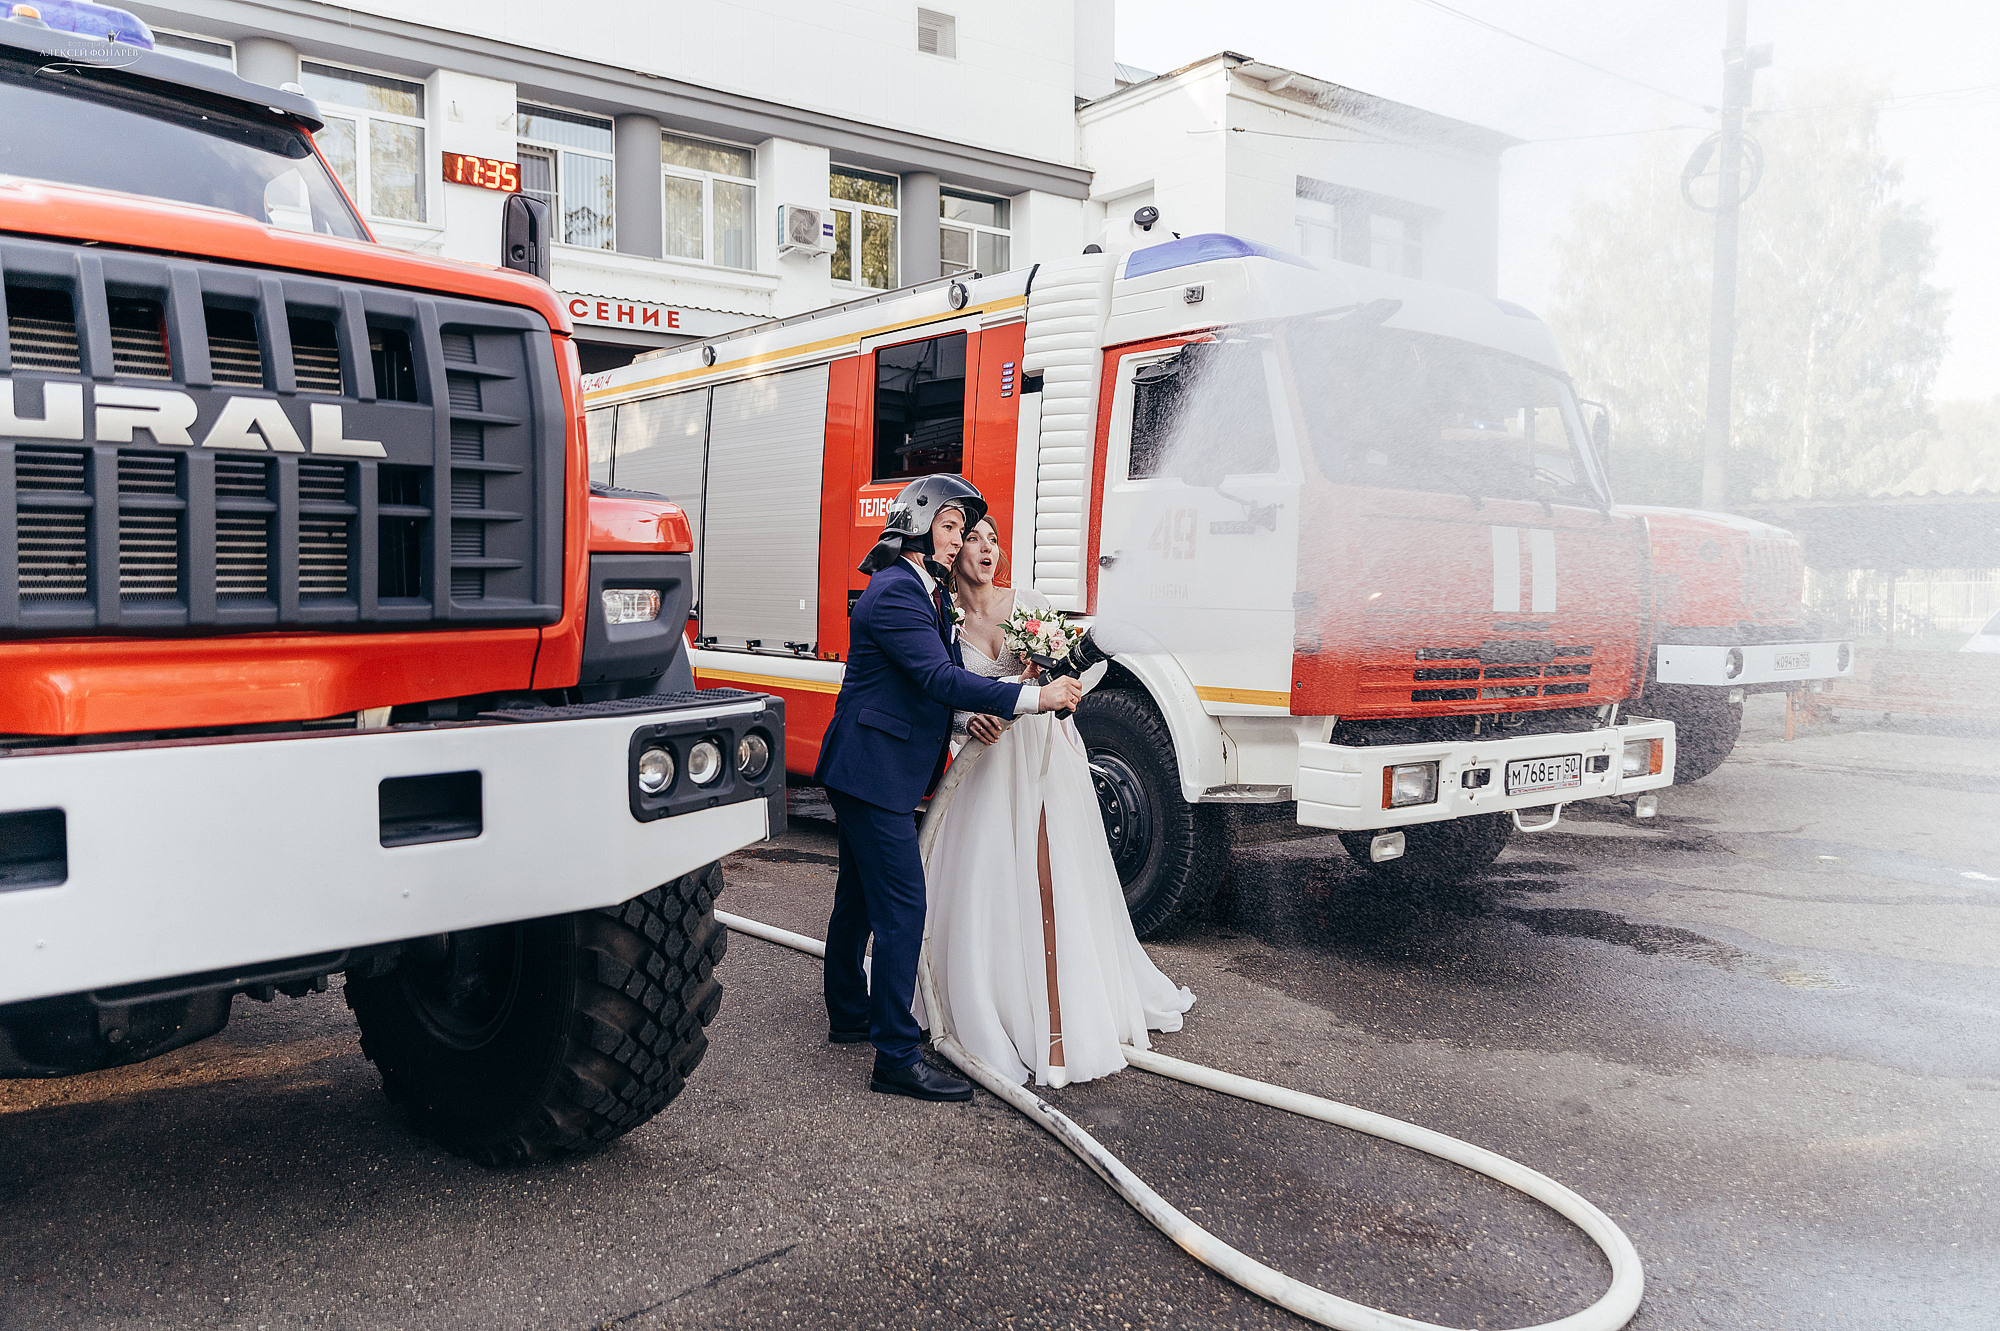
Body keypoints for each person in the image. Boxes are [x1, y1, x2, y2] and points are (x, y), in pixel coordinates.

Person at [815, 475, 1085, 1103]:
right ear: (916, 522)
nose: (960, 539)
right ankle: (895, 1056)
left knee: (857, 901)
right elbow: (938, 678)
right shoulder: (896, 593)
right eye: (950, 526)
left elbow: (949, 680)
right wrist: (1033, 697)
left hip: (871, 768)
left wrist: (999, 692)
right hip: (872, 770)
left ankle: (850, 1012)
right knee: (904, 905)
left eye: (963, 529)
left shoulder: (924, 593)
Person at [924, 516, 1194, 1087]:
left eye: (993, 540)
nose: (987, 550)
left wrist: (1062, 691)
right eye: (974, 539)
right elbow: (935, 691)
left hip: (1046, 759)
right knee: (990, 881)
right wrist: (964, 718)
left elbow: (1081, 671)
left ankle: (1067, 1005)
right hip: (988, 766)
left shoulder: (1028, 604)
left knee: (1057, 878)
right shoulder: (943, 621)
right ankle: (990, 998)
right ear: (954, 550)